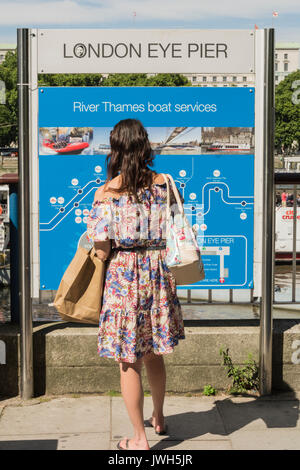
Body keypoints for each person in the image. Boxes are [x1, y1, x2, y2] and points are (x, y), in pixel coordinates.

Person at [86, 119, 185, 451]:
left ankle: (139, 438)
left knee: (129, 359)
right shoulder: (165, 185)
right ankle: (157, 416)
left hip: (125, 276)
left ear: (115, 149)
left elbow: (101, 248)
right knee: (154, 352)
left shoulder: (106, 193)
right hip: (158, 271)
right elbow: (176, 224)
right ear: (145, 146)